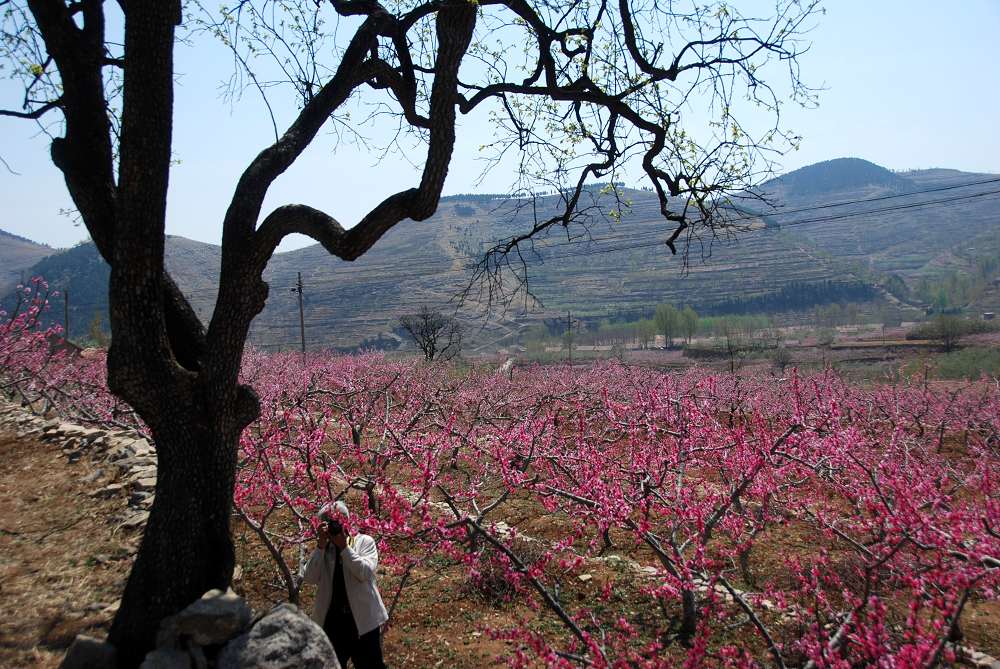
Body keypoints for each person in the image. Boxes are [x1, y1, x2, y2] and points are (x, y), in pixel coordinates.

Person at [302, 501, 388, 668]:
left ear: (347, 522)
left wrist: (344, 547)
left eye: (337, 523)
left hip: (363, 622)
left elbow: (364, 572)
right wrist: (320, 546)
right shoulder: (324, 550)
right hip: (333, 622)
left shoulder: (364, 542)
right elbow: (309, 577)